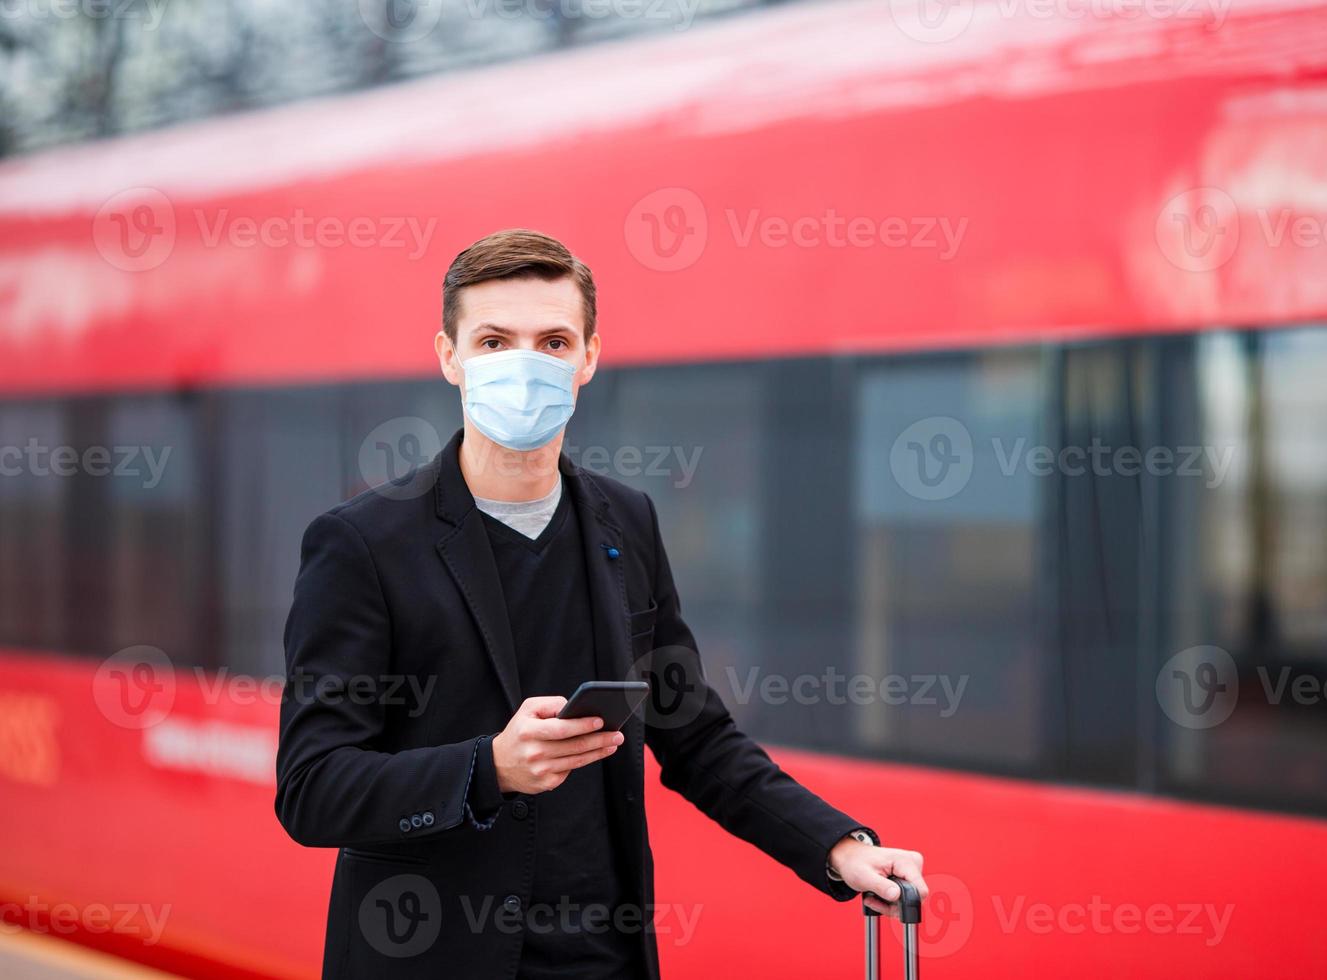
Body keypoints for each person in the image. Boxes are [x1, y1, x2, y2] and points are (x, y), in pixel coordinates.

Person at [274, 229, 927, 978]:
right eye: (493, 341)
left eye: (552, 341)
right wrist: (487, 768)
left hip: (604, 958)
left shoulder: (628, 520)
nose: (523, 364)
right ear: (449, 357)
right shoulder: (361, 544)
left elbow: (695, 734)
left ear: (588, 358)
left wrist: (838, 848)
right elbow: (312, 788)